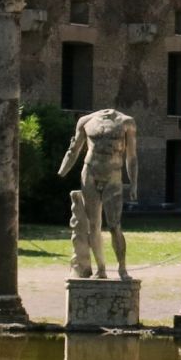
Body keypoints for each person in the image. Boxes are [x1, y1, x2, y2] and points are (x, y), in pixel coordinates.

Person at [58, 108, 138, 279]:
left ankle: (122, 268)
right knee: (93, 225)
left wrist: (133, 184)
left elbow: (131, 157)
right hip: (90, 174)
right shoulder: (85, 121)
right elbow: (74, 150)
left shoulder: (126, 122)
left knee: (114, 225)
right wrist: (62, 171)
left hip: (113, 176)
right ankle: (100, 269)